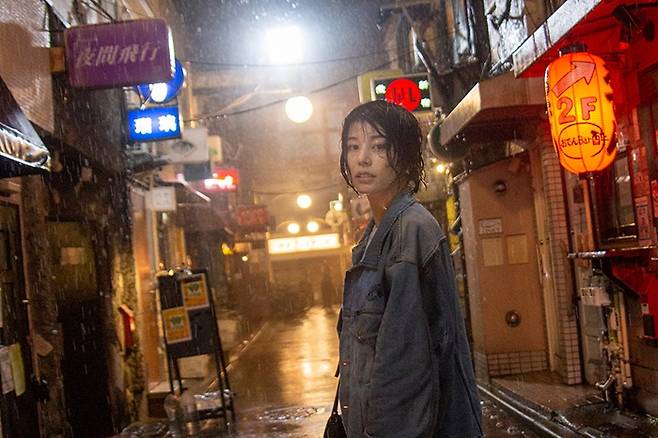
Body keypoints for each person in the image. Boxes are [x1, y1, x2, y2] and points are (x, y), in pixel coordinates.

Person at [336, 100, 483, 437]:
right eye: (353, 147)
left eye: (378, 147)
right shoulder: (375, 236)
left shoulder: (409, 232)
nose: (362, 158)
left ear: (402, 156)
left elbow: (405, 366)